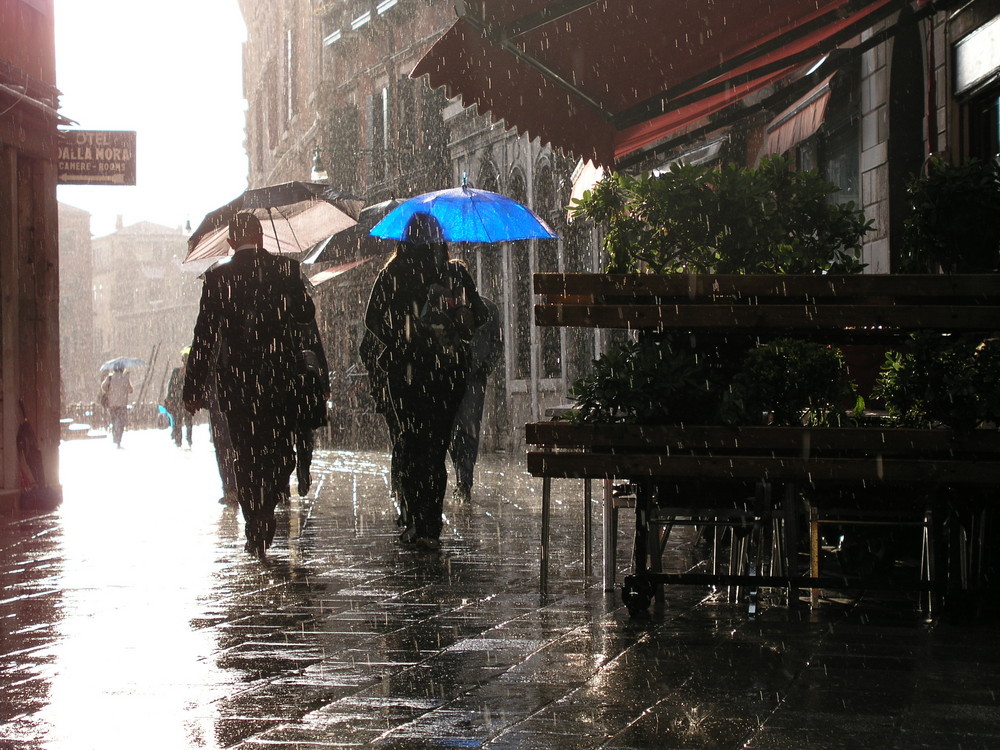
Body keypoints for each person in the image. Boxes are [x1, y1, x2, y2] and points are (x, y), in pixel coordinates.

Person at [183, 212, 319, 562]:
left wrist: (193, 385)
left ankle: (255, 518)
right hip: (279, 379)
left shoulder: (217, 278)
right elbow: (306, 316)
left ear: (230, 242)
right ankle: (269, 498)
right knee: (278, 450)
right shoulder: (286, 271)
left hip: (238, 384)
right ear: (262, 237)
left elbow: (205, 337)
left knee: (244, 452)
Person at [363, 212, 488, 551]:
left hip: (406, 375)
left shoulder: (393, 273)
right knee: (434, 448)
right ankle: (429, 524)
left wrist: (402, 338)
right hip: (446, 373)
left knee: (410, 444)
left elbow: (373, 319)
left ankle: (416, 519)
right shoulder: (454, 272)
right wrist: (455, 318)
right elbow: (480, 316)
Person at [449, 296, 503, 502]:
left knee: (470, 429)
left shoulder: (488, 307)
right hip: (449, 377)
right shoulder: (445, 306)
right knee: (452, 430)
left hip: (474, 378)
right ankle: (461, 472)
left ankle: (465, 480)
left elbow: (497, 342)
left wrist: (484, 367)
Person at [164, 348, 193, 448]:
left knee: (178, 420)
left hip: (178, 400)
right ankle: (188, 439)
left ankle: (178, 440)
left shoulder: (176, 372)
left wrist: (169, 398)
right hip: (188, 400)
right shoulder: (192, 372)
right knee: (188, 421)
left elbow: (171, 386)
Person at [100, 364, 133, 448]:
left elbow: (103, 386)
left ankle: (115, 436)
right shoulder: (125, 378)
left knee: (114, 420)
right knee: (121, 422)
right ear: (122, 369)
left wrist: (109, 390)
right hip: (122, 404)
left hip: (112, 404)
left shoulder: (110, 377)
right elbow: (130, 390)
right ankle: (119, 439)